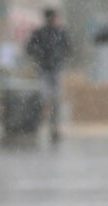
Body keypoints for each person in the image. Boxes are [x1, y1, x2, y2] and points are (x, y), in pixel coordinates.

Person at [25, 8, 73, 143]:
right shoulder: (40, 33)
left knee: (56, 100)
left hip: (55, 70)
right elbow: (30, 48)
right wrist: (40, 53)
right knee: (43, 99)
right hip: (44, 70)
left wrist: (59, 55)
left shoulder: (60, 33)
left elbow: (69, 48)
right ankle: (38, 124)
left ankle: (54, 128)